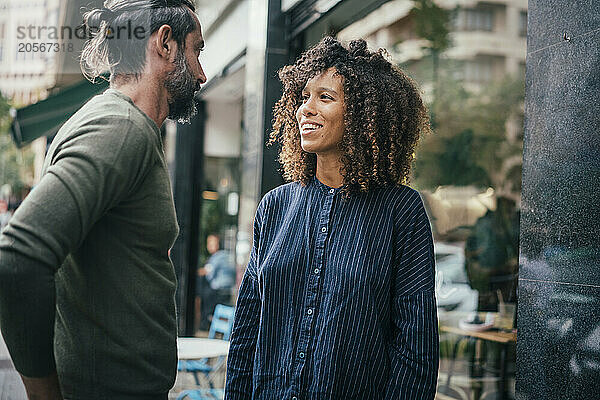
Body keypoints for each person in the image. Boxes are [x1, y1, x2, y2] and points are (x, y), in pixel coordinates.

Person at [0, 1, 206, 399]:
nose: (201, 73)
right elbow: (18, 258)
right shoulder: (121, 127)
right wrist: (44, 394)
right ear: (165, 43)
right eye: (197, 49)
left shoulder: (120, 123)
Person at [225, 37, 439, 399]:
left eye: (325, 98)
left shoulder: (400, 211)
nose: (305, 109)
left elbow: (415, 349)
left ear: (362, 115)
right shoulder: (275, 207)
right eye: (304, 97)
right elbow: (248, 325)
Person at [196, 234, 236, 329]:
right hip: (228, 291)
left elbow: (209, 272)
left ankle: (205, 324)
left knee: (202, 294)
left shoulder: (218, 257)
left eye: (212, 243)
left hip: (218, 291)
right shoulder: (226, 255)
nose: (209, 246)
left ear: (218, 244)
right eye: (208, 243)